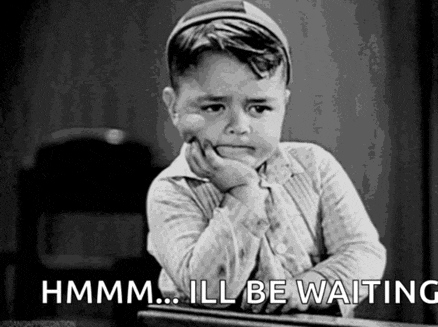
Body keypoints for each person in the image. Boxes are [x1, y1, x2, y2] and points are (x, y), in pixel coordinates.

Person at [146, 0, 386, 317]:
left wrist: (306, 288)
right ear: (174, 107)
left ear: (283, 104)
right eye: (213, 107)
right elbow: (208, 294)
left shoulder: (316, 167)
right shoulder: (172, 191)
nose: (239, 127)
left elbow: (363, 253)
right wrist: (243, 192)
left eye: (259, 108)